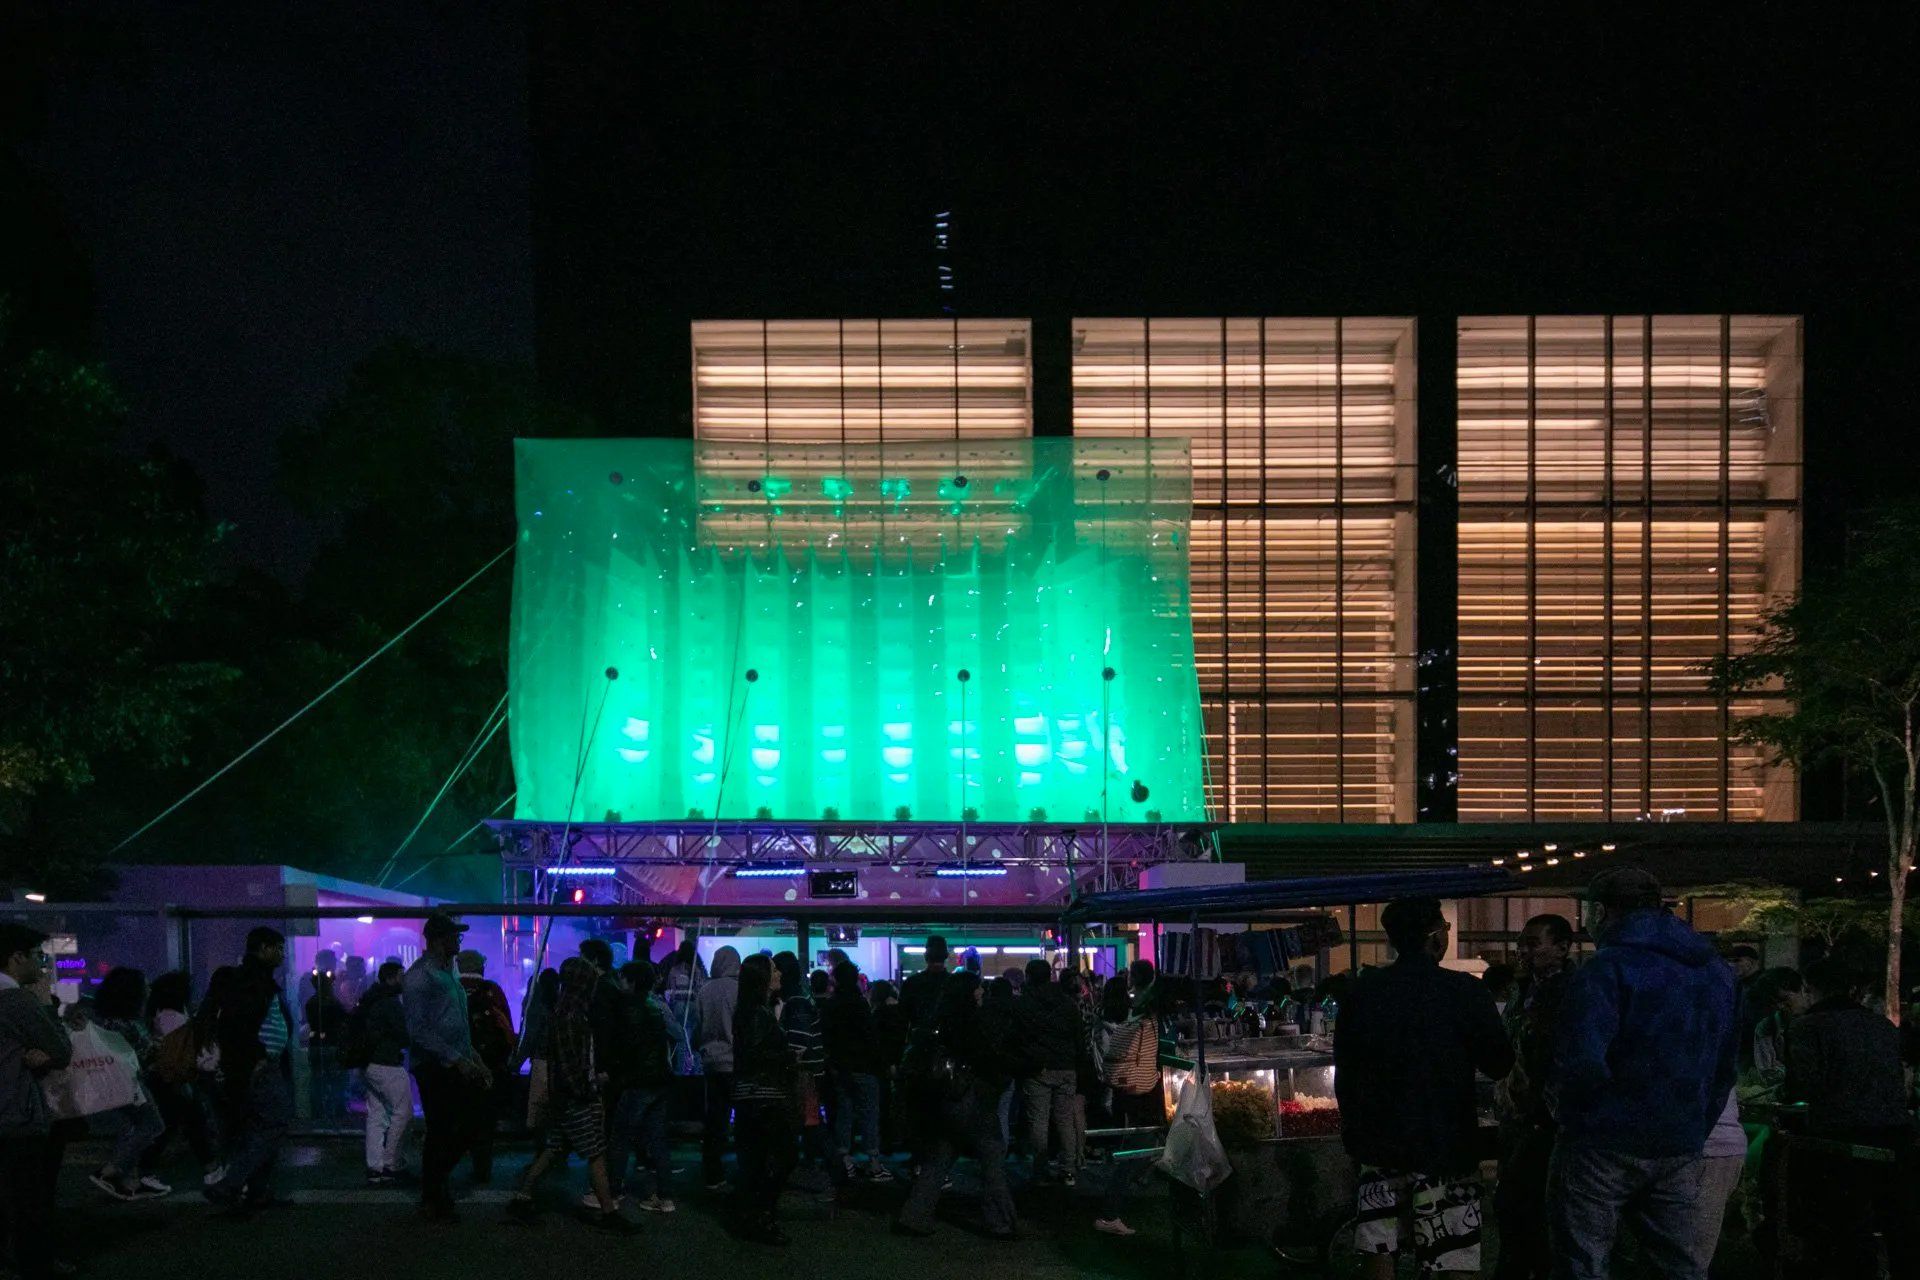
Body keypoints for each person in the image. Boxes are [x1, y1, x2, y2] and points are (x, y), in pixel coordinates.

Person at [1548, 867, 1737, 1280]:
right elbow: (1725, 1067)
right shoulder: (1716, 971)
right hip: (1680, 1138)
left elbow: (1581, 1059)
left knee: (1584, 1261)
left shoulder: (1606, 969)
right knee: (1677, 1265)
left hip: (1603, 1139)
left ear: (1601, 911)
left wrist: (1576, 1117)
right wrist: (1694, 1125)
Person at [1334, 897, 1512, 1279]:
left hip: (1379, 1142)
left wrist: (1354, 1132)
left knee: (1380, 1244)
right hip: (1446, 1145)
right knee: (1451, 1250)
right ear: (1434, 937)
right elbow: (1499, 1062)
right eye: (1445, 930)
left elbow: (1345, 1073)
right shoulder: (1464, 991)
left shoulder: (1363, 992)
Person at [1780, 955, 1918, 1279]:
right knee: (1899, 1227)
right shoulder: (1882, 1026)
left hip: (1839, 1141)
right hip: (1895, 1135)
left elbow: (1802, 1087)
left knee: (1846, 1228)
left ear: (1808, 989)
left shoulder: (1806, 1027)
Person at [506, 958, 634, 1234]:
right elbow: (569, 1064)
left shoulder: (563, 1011)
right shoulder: (572, 1016)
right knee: (596, 1152)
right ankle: (609, 1212)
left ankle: (522, 1197)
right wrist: (590, 1089)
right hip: (576, 1097)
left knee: (555, 1147)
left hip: (564, 1096)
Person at [895, 970, 1019, 1240]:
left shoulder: (937, 1021)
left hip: (942, 1100)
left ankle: (914, 1216)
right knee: (992, 1157)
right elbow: (987, 1059)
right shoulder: (972, 1023)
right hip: (971, 1101)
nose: (981, 992)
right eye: (977, 988)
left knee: (939, 1157)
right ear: (968, 992)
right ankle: (1000, 1221)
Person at [1491, 912, 1574, 1280]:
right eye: (1521, 943)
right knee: (1514, 1200)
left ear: (1562, 948)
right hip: (1518, 1113)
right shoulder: (1524, 988)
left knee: (1530, 1201)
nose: (1523, 951)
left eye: (1532, 943)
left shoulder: (1570, 991)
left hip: (1548, 1116)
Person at [404, 912, 492, 1222]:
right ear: (440, 940)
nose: (459, 941)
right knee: (445, 1128)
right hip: (434, 1066)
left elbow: (458, 1026)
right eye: (455, 936)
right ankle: (433, 1192)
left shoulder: (446, 973)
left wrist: (473, 1059)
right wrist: (458, 1060)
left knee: (459, 1127)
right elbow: (418, 1030)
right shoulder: (420, 977)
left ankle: (436, 1187)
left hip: (454, 1063)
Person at [205, 927, 296, 1214]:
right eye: (278, 948)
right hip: (259, 1066)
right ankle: (232, 1182)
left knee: (259, 1125)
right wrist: (257, 1057)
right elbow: (239, 1024)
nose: (282, 954)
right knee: (274, 1122)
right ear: (264, 948)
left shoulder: (255, 979)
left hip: (260, 1064)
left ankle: (257, 1191)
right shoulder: (252, 981)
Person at [1, 924, 72, 1280]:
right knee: (30, 1196)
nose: (42, 965)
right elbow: (61, 1050)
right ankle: (35, 1264)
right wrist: (45, 1003)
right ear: (17, 958)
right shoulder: (15, 1000)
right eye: (38, 956)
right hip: (16, 1113)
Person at [729, 953, 797, 1245]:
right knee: (777, 1160)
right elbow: (755, 1055)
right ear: (763, 979)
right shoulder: (759, 1014)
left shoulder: (751, 1011)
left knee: (758, 1162)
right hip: (764, 1097)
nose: (778, 973)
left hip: (753, 1097)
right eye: (773, 970)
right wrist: (788, 1057)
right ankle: (762, 1219)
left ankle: (755, 1218)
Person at [86, 967, 170, 1199]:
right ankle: (110, 1171)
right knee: (153, 1124)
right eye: (145, 984)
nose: (149, 989)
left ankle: (126, 1181)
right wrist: (154, 1048)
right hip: (130, 1084)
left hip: (117, 1083)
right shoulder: (125, 1023)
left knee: (132, 1128)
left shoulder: (108, 1020)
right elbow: (132, 1056)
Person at [1091, 973, 1163, 1237]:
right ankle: (1109, 1213)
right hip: (1140, 1094)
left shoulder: (1131, 1021)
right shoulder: (1146, 1022)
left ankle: (1113, 1206)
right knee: (1134, 1152)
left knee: (1136, 1148)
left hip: (1127, 1092)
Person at [604, 960, 677, 1213]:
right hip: (660, 1079)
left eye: (623, 979)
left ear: (632, 982)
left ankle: (612, 1191)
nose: (620, 983)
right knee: (657, 1138)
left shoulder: (630, 1008)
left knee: (620, 1136)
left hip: (638, 1081)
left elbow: (626, 1049)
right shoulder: (655, 1006)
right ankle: (664, 1196)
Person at [143, 970, 221, 1188]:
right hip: (176, 1079)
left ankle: (210, 1168)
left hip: (167, 1078)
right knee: (189, 1123)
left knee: (181, 1124)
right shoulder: (174, 1018)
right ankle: (210, 1169)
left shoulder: (160, 1014)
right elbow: (182, 1051)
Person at [1016, 958, 1082, 1185]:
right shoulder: (1067, 1003)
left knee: (1039, 1122)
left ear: (1029, 976)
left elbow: (1021, 1037)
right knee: (1064, 1121)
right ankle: (1068, 1170)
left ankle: (1040, 1170)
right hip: (1066, 1067)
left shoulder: (1025, 1004)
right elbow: (1078, 1036)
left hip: (1038, 1069)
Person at [823, 960, 890, 1181]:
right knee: (869, 1114)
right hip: (864, 1067)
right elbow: (871, 1038)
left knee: (845, 1113)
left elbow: (829, 1039)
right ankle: (873, 1162)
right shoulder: (860, 1004)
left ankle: (844, 1158)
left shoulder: (832, 1004)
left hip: (841, 1068)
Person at [456, 950, 514, 1183]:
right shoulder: (492, 992)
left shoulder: (452, 989)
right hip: (489, 1067)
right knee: (485, 1119)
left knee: (459, 1117)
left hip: (457, 1066)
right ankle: (482, 1169)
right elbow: (505, 1028)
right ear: (481, 967)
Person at [356, 961, 412, 1184]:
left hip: (368, 1063)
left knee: (377, 1114)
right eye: (401, 975)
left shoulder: (371, 999)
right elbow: (404, 1034)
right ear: (391, 977)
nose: (404, 980)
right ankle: (392, 1163)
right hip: (387, 1063)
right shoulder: (390, 1003)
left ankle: (375, 1167)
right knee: (404, 1112)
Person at [694, 945, 742, 1191]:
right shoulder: (740, 990)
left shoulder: (705, 990)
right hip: (736, 1063)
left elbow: (697, 1025)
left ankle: (712, 1173)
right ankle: (744, 1172)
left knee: (715, 1121)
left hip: (711, 1063)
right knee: (744, 1119)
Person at [303, 961, 350, 1127]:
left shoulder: (310, 1002)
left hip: (315, 1044)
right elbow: (345, 1019)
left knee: (317, 1080)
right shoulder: (333, 1002)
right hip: (332, 1044)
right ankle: (337, 1113)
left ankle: (318, 1113)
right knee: (337, 1080)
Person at [515, 967, 559, 1134]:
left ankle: (541, 1153)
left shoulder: (536, 1007)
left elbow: (530, 1037)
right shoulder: (559, 1006)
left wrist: (516, 1062)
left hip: (541, 1061)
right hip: (557, 1063)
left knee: (538, 1110)